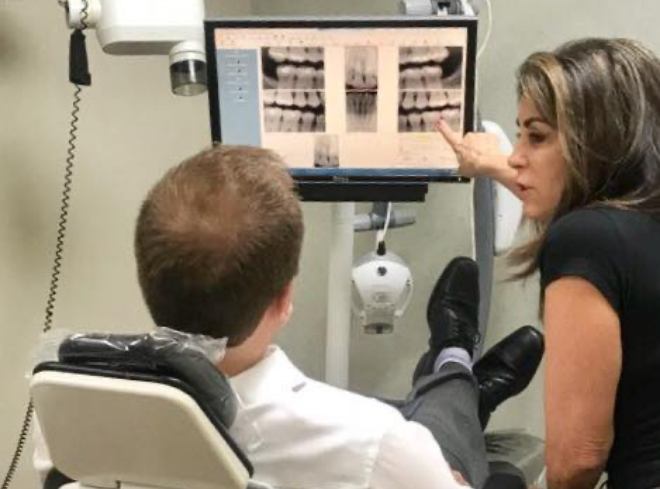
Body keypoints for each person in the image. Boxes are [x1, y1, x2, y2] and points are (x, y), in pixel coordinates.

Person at [33, 145, 543, 489]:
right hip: (415, 461)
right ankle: (456, 363)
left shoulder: (70, 407)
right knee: (440, 420)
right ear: (284, 297)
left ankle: (463, 376)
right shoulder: (374, 440)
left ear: (146, 275)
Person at [438, 38, 660, 489]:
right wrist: (491, 164)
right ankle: (459, 375)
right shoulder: (638, 221)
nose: (517, 156)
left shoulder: (586, 240)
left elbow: (578, 459)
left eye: (535, 136)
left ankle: (452, 366)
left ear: (595, 142)